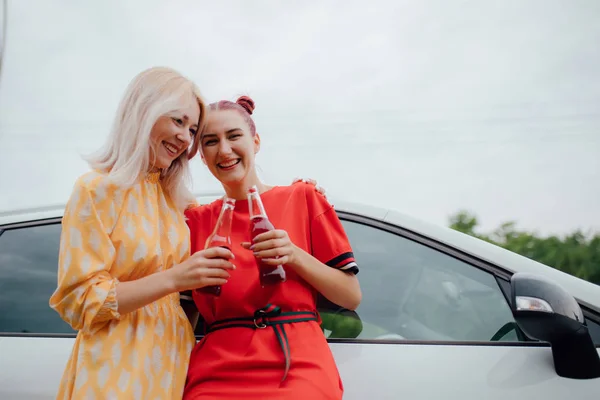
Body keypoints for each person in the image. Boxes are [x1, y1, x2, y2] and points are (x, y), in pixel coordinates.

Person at [48, 66, 238, 399]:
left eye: (192, 129)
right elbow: (79, 302)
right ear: (144, 112)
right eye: (177, 121)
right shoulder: (96, 189)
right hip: (114, 362)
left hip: (173, 359)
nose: (185, 138)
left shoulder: (180, 203)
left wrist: (299, 193)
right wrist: (175, 279)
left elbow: (239, 218)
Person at [183, 96, 362, 399]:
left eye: (234, 136)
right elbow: (183, 319)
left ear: (256, 141)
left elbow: (351, 295)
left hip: (297, 363)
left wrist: (294, 255)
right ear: (201, 155)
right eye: (210, 141)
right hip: (217, 368)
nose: (224, 150)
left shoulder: (304, 198)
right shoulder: (195, 221)